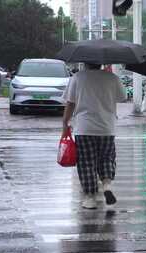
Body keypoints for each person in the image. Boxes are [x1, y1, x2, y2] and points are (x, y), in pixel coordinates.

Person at [62, 63, 126, 209]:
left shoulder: (77, 77)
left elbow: (70, 103)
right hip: (107, 127)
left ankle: (90, 198)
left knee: (86, 162)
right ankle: (107, 184)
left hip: (84, 127)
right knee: (107, 157)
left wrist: (65, 123)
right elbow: (122, 97)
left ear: (84, 62)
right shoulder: (112, 78)